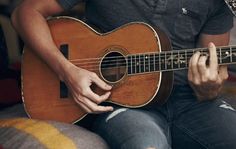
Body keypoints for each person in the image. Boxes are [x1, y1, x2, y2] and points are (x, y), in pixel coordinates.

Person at [11, 0, 236, 149]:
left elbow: (214, 71)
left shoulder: (219, 3)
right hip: (121, 102)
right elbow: (25, 12)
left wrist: (208, 88)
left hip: (189, 101)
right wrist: (66, 71)